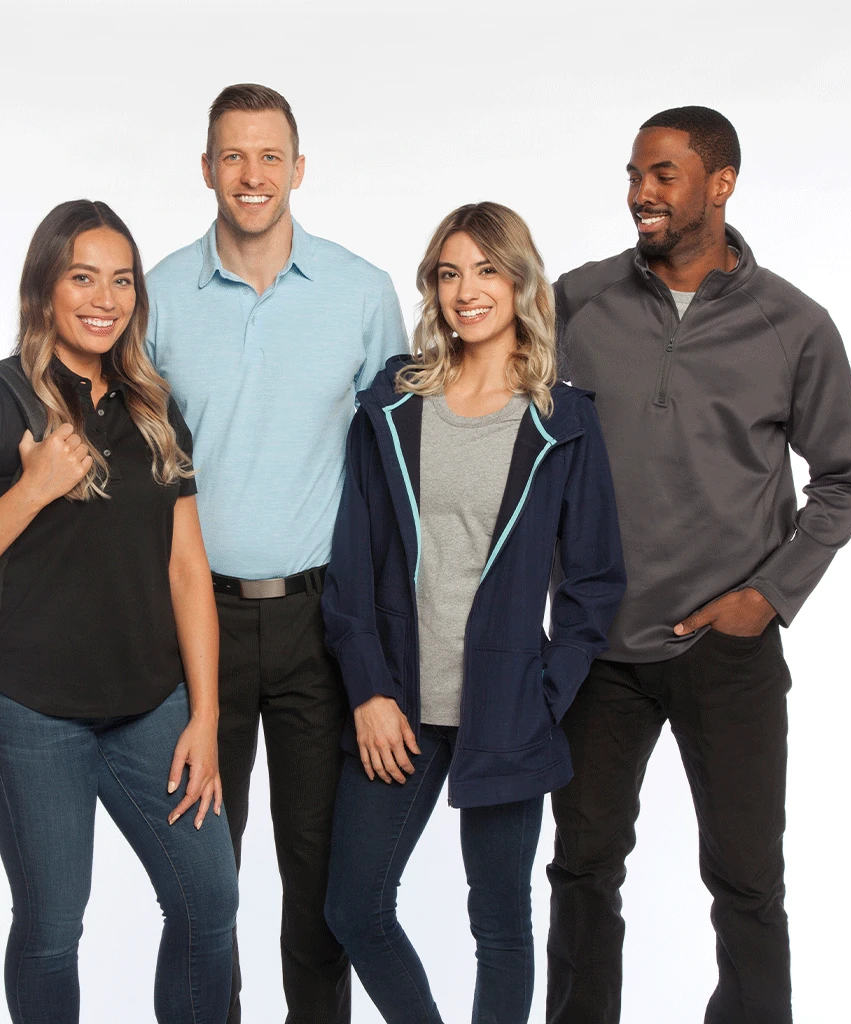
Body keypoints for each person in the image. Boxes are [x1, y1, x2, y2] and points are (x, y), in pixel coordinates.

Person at [545, 107, 851, 1024]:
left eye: (663, 175)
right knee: (582, 872)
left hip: (726, 653)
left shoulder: (794, 325)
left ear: (721, 184)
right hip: (598, 649)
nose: (640, 193)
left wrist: (766, 596)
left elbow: (843, 480)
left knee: (747, 883)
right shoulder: (578, 301)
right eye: (634, 174)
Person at [0, 199, 239, 1024]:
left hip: (150, 705)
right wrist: (34, 488)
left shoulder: (153, 407)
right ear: (44, 289)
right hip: (29, 710)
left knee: (209, 903)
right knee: (54, 928)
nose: (105, 299)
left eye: (122, 281)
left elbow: (187, 569)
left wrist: (205, 715)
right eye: (83, 277)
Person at [320, 202, 627, 1024]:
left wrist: (544, 693)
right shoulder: (393, 404)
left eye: (487, 270)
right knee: (354, 907)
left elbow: (595, 581)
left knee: (499, 924)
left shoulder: (564, 419)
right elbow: (351, 568)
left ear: (520, 282)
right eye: (449, 273)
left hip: (505, 713)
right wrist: (368, 689)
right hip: (398, 703)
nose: (466, 291)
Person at [144, 83, 407, 1024]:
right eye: (232, 156)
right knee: (203, 878)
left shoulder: (362, 292)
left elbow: (395, 472)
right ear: (206, 168)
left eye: (269, 157)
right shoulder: (158, 295)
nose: (250, 175)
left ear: (299, 169)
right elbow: (131, 463)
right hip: (194, 622)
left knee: (320, 877)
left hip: (318, 623)